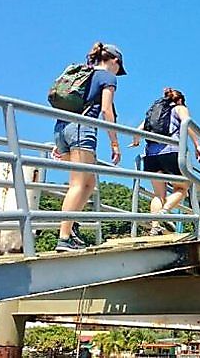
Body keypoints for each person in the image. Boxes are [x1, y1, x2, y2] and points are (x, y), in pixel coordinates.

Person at [53, 42, 125, 252]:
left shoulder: (83, 74)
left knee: (88, 184)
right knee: (77, 184)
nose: (117, 72)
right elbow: (106, 110)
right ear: (115, 61)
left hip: (61, 128)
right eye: (119, 68)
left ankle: (71, 226)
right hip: (81, 129)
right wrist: (114, 142)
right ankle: (64, 238)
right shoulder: (107, 77)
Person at [130, 88, 200, 235]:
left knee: (158, 194)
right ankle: (164, 212)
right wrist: (197, 145)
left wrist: (136, 142)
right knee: (183, 188)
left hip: (150, 155)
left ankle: (155, 226)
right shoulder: (179, 108)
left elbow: (138, 131)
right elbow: (187, 124)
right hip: (171, 152)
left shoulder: (154, 113)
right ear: (180, 100)